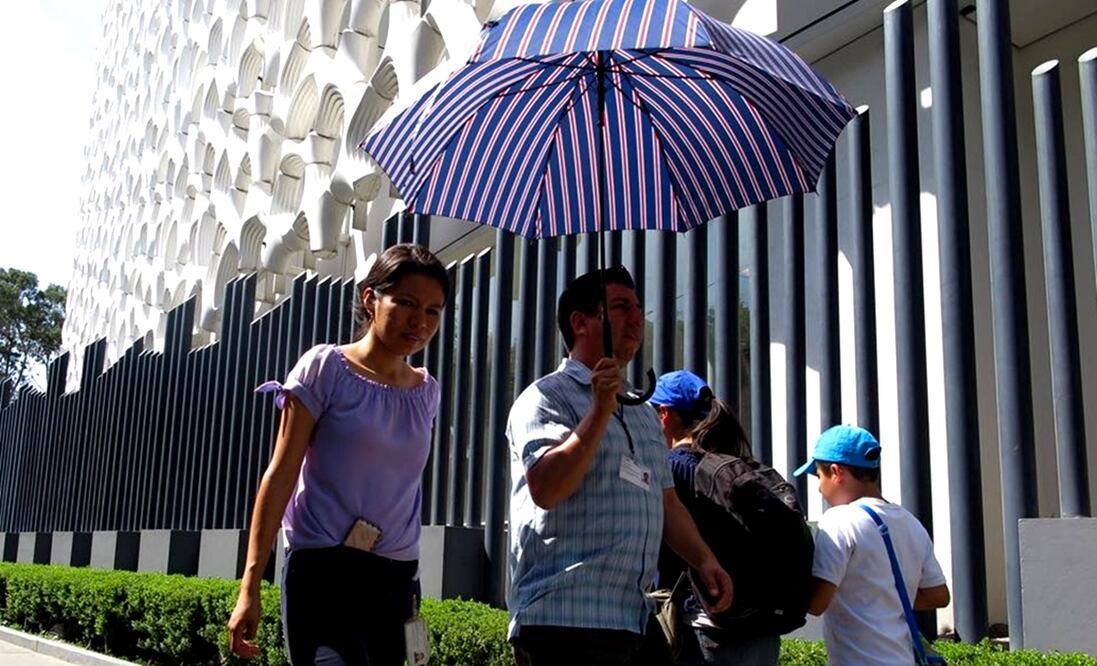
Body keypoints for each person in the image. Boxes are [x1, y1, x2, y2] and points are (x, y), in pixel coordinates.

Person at [227, 244, 450, 665]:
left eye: (433, 311)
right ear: (370, 299)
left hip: (395, 580)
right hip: (324, 572)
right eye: (405, 303)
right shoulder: (325, 368)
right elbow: (280, 474)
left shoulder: (426, 392)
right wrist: (250, 585)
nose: (419, 321)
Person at [506, 267, 733, 666]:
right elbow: (546, 488)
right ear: (580, 323)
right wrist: (597, 412)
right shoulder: (544, 397)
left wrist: (704, 560)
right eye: (620, 307)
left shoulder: (643, 413)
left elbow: (667, 502)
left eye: (638, 308)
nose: (636, 319)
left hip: (633, 618)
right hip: (565, 619)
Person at [650, 370, 781, 666]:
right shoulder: (737, 468)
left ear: (664, 414)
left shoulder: (672, 468)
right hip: (761, 630)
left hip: (702, 630)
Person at [796, 425, 951, 665]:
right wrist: (880, 596)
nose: (818, 488)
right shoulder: (910, 522)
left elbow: (816, 604)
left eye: (818, 475)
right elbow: (938, 596)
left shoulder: (839, 520)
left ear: (836, 472)